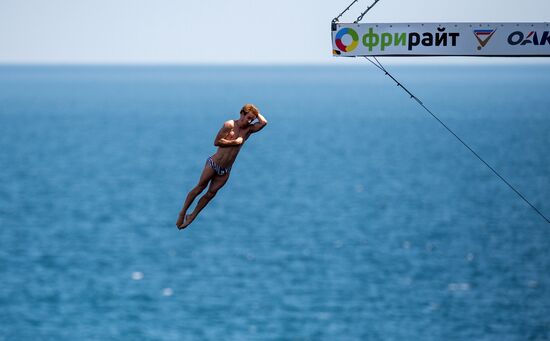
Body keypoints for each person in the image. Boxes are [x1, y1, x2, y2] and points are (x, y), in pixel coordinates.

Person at [176, 104, 268, 229]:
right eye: (248, 118)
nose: (250, 121)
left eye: (252, 119)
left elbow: (264, 123)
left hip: (225, 170)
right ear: (242, 114)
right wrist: (234, 142)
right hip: (214, 164)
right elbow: (216, 142)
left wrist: (256, 114)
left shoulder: (248, 130)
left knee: (210, 194)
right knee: (200, 188)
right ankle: (183, 212)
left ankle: (192, 215)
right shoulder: (229, 125)